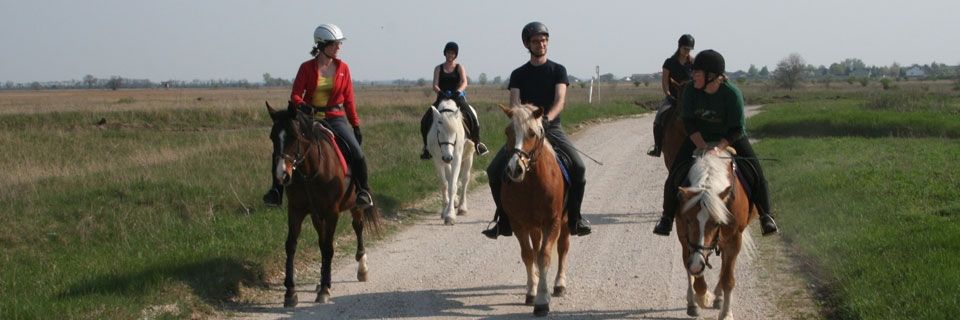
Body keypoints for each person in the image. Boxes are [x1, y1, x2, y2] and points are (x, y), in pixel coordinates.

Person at [482, 21, 592, 239]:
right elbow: (514, 105)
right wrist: (522, 122)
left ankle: (576, 218)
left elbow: (560, 100)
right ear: (527, 44)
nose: (541, 44)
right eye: (536, 41)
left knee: (578, 167)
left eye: (544, 40)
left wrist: (547, 119)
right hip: (525, 131)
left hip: (551, 127)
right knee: (494, 171)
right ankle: (503, 220)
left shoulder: (558, 70)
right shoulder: (518, 74)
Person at [651, 49, 779, 236]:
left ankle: (766, 216)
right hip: (698, 137)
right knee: (674, 175)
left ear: (711, 76)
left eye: (697, 72)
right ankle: (667, 218)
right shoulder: (690, 92)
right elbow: (689, 122)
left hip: (730, 137)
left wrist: (718, 149)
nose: (692, 75)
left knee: (756, 173)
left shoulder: (732, 94)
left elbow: (737, 129)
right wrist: (702, 146)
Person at [262, 23, 374, 209]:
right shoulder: (306, 68)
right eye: (334, 44)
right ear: (321, 46)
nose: (338, 47)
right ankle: (276, 191)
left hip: (335, 117)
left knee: (357, 152)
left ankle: (363, 191)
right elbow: (296, 94)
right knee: (284, 148)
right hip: (309, 118)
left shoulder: (343, 69)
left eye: (339, 43)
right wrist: (302, 105)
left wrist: (355, 125)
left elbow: (349, 100)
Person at [419, 41, 489, 159]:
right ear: (445, 53)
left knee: (472, 115)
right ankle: (427, 148)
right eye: (448, 52)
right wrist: (440, 92)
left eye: (452, 53)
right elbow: (434, 85)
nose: (450, 55)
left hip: (457, 97)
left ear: (455, 55)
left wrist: (458, 91)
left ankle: (477, 143)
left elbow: (464, 82)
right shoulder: (438, 68)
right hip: (442, 97)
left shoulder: (459, 67)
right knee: (425, 119)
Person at [648, 34, 695, 157]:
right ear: (679, 47)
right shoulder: (669, 63)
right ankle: (657, 147)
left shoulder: (694, 63)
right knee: (659, 118)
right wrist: (668, 95)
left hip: (690, 99)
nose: (687, 52)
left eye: (689, 49)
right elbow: (665, 83)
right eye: (685, 49)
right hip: (673, 97)